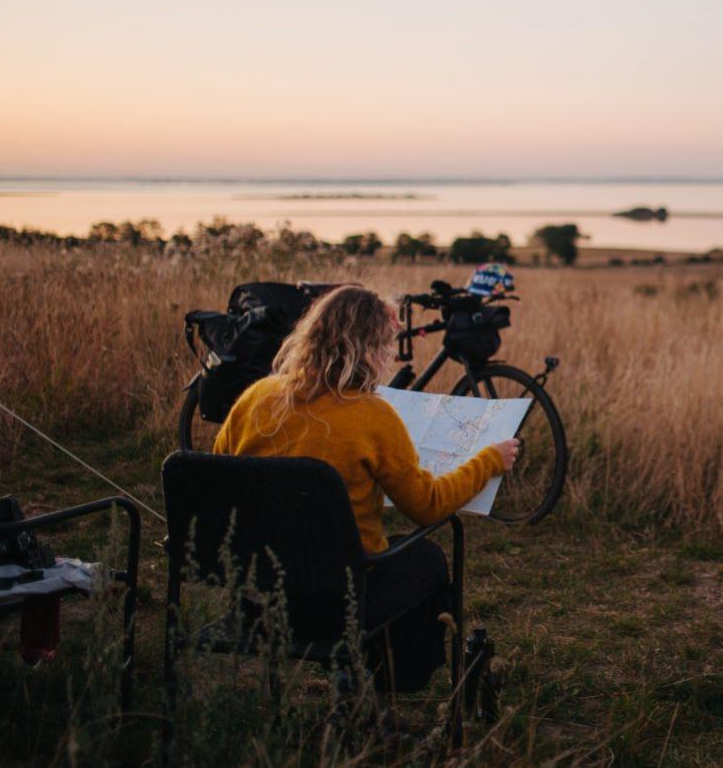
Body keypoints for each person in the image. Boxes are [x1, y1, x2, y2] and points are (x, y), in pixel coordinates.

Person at [213, 285, 517, 698]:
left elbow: (221, 476)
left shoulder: (253, 399)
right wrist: (488, 460)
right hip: (337, 605)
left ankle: (360, 680)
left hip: (260, 598)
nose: (391, 355)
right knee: (426, 557)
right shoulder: (372, 416)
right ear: (370, 349)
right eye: (388, 345)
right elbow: (429, 508)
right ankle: (380, 683)